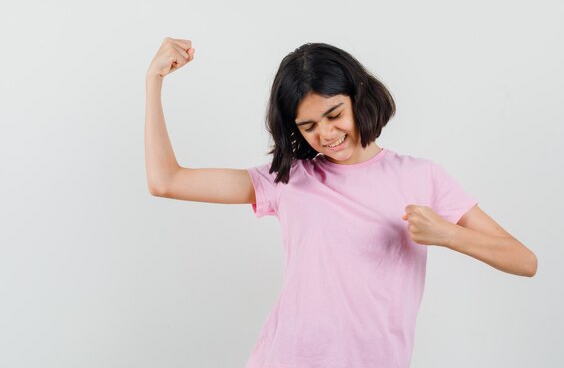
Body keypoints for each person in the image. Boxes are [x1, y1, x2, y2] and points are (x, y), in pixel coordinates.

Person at [144, 38, 538, 368]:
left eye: (334, 114)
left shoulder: (422, 176)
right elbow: (167, 181)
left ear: (357, 97)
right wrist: (153, 82)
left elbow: (523, 260)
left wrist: (448, 234)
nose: (327, 134)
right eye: (309, 126)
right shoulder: (288, 178)